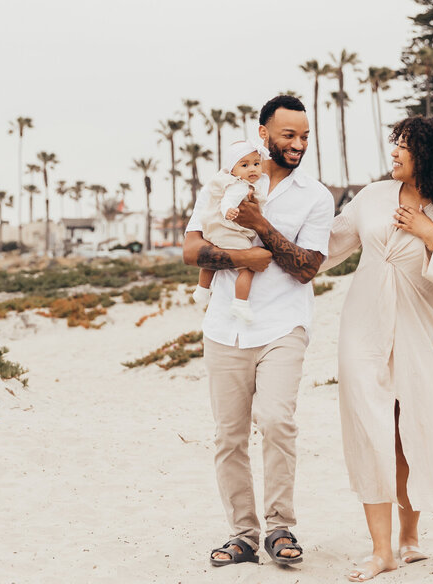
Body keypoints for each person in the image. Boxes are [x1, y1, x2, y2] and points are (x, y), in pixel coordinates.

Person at [322, 115, 433, 582]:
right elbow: (329, 245)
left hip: (422, 331)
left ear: (430, 156)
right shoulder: (372, 197)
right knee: (369, 431)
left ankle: (410, 538)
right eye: (394, 143)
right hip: (364, 327)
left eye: (404, 146)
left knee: (411, 429)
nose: (394, 152)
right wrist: (267, 242)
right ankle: (381, 552)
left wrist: (429, 234)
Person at [183, 94, 334, 569]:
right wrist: (240, 258)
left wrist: (258, 224)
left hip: (282, 325)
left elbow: (307, 267)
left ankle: (280, 527)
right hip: (224, 325)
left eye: (305, 135)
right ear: (264, 134)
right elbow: (191, 250)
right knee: (228, 435)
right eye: (288, 135)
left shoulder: (316, 196)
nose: (298, 144)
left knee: (275, 421)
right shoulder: (223, 182)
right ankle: (243, 535)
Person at [190, 139, 272, 323]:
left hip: (216, 230)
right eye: (245, 165)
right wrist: (229, 210)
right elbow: (228, 200)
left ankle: (202, 290)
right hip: (229, 231)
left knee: (213, 262)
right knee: (248, 268)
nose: (252, 169)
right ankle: (240, 303)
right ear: (232, 169)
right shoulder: (238, 186)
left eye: (256, 164)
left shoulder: (240, 183)